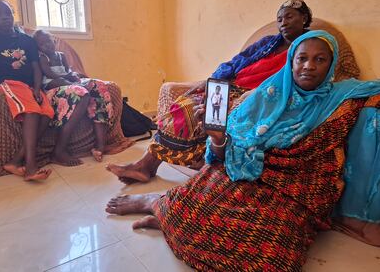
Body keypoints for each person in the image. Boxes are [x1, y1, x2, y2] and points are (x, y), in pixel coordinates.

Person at [106, 30, 380, 271]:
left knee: (274, 259)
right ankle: (160, 205)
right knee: (202, 201)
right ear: (292, 62)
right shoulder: (266, 95)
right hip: (245, 172)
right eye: (302, 58)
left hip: (297, 188)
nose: (309, 66)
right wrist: (218, 137)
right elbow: (224, 157)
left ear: (331, 65)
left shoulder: (341, 99)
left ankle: (170, 214)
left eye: (319, 59)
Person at [107, 0, 314, 183]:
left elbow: (300, 81)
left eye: (289, 17)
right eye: (279, 19)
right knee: (183, 106)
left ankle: (164, 167)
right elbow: (236, 62)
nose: (283, 23)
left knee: (203, 115)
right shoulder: (268, 43)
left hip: (254, 95)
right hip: (232, 86)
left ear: (304, 18)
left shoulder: (309, 47)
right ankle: (147, 166)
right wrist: (214, 81)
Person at [0, 0, 53, 181]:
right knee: (31, 110)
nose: (5, 17)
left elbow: (36, 67)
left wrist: (37, 89)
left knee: (47, 113)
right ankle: (30, 167)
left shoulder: (27, 41)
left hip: (29, 86)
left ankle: (14, 162)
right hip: (7, 83)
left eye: (8, 12)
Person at [33, 29, 120, 163]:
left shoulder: (61, 55)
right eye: (42, 44)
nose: (47, 46)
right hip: (53, 84)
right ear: (38, 47)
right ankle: (59, 151)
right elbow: (48, 73)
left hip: (67, 81)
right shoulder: (42, 57)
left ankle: (100, 145)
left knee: (98, 85)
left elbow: (68, 70)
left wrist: (72, 76)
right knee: (80, 92)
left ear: (54, 41)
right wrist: (67, 79)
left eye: (48, 42)